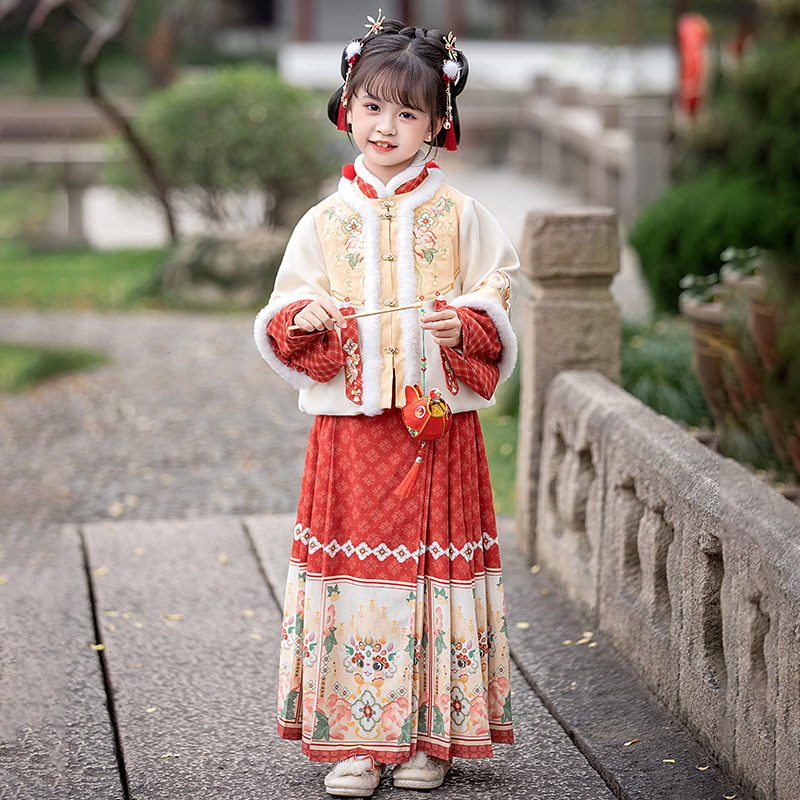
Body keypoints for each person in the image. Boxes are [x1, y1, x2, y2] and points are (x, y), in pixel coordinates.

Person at [253, 12, 517, 798]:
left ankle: (426, 735)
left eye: (408, 112)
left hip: (434, 428)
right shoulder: (325, 221)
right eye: (372, 105)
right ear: (346, 106)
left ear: (439, 124)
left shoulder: (464, 215)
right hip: (351, 428)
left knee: (434, 574)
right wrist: (302, 319)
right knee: (353, 578)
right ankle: (355, 744)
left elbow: (498, 290)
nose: (386, 125)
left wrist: (465, 321)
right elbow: (285, 305)